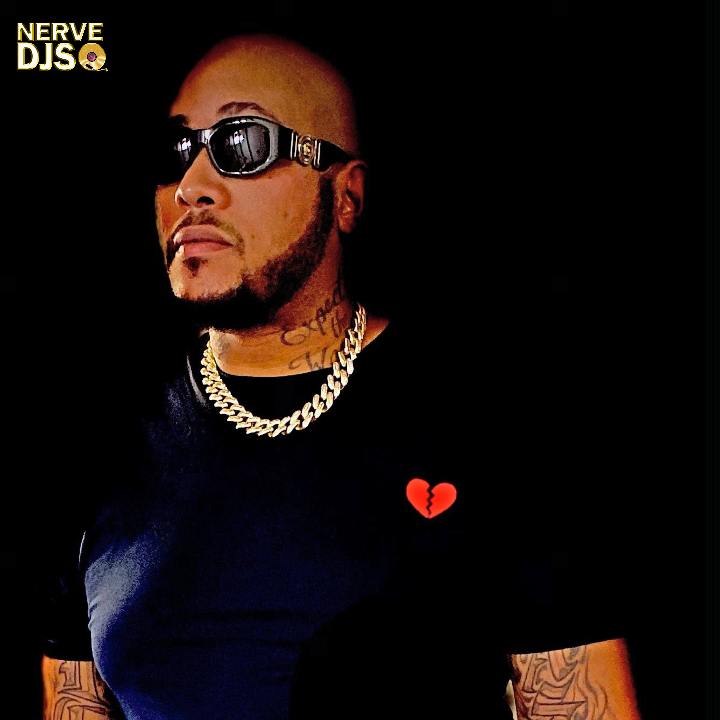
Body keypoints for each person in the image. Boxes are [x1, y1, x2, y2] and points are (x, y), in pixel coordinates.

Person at [39, 33, 643, 720]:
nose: (192, 186)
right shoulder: (101, 443)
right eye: (176, 152)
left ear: (346, 195)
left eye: (243, 144)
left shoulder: (492, 424)